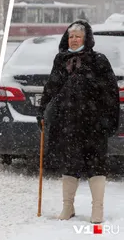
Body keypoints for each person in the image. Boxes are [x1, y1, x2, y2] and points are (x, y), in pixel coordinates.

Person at [37, 20, 120, 223]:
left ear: (87, 39)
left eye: (78, 36)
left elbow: (111, 91)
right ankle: (68, 207)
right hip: (68, 122)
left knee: (96, 164)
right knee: (69, 162)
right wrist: (42, 110)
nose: (73, 40)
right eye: (71, 36)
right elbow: (51, 86)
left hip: (94, 123)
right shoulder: (61, 59)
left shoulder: (99, 60)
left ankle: (97, 209)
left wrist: (110, 119)